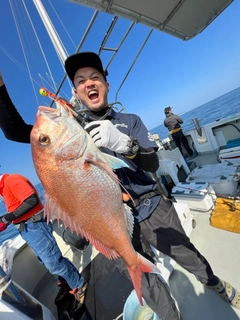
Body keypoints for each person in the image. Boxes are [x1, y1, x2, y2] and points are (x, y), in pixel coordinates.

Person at [0, 54, 239, 320]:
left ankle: (213, 282)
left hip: (152, 207)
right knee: (147, 286)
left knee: (187, 254)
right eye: (81, 81)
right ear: (76, 92)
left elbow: (152, 163)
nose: (89, 83)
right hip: (110, 224)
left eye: (95, 77)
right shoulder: (72, 129)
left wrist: (126, 145)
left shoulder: (131, 121)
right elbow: (14, 131)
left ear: (106, 84)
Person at [0, 171, 88, 314]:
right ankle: (66, 282)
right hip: (27, 229)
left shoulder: (12, 181)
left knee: (54, 262)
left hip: (35, 227)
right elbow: (18, 205)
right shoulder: (3, 188)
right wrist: (8, 219)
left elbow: (32, 200)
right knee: (44, 260)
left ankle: (79, 284)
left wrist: (6, 218)